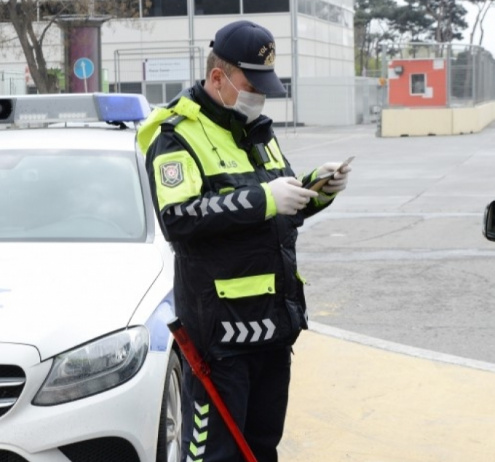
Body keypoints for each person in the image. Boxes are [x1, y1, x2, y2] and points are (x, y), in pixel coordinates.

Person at [136, 20, 352, 462]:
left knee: (261, 450)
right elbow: (178, 219)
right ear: (218, 77)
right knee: (218, 456)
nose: (261, 96)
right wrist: (263, 199)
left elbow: (281, 207)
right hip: (222, 338)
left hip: (273, 328)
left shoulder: (256, 132)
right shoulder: (177, 136)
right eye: (252, 84)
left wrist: (318, 188)